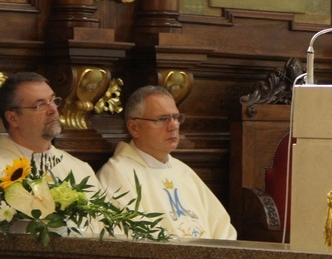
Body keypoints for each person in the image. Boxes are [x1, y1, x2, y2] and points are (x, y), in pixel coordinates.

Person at [97, 86, 236, 240]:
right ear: (134, 128)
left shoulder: (183, 171)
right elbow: (130, 239)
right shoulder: (117, 174)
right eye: (163, 119)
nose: (174, 126)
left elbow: (222, 227)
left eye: (176, 117)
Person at [0, 72, 101, 192]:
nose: (53, 110)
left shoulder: (79, 169)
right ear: (13, 118)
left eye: (53, 100)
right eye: (40, 105)